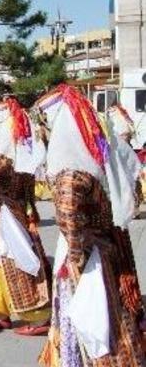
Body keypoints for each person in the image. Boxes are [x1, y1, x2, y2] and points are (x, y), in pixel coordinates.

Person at [34, 85, 146, 365]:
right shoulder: (89, 162)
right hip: (105, 250)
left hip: (88, 260)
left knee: (92, 325)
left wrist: (74, 262)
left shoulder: (69, 173)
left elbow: (72, 228)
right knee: (111, 319)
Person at [0, 98, 52, 335]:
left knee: (10, 258)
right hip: (16, 207)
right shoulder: (25, 135)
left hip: (1, 211)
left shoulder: (7, 133)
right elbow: (28, 180)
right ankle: (0, 312)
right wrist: (29, 207)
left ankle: (36, 316)